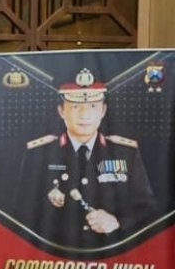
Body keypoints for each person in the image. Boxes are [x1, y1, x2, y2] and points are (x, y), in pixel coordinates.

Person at [15, 67, 157, 249]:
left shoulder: (125, 153)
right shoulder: (39, 153)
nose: (84, 115)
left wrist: (118, 222)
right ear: (61, 111)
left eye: (92, 106)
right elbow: (20, 211)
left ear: (103, 110)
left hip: (113, 259)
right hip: (54, 260)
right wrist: (45, 200)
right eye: (75, 106)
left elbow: (146, 208)